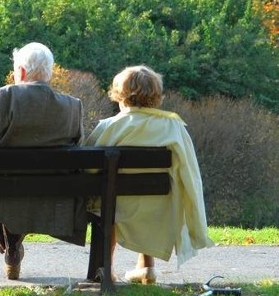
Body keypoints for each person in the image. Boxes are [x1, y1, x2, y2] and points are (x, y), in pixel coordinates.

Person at [85, 65, 214, 284]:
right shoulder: (173, 126)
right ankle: (146, 267)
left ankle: (106, 266)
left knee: (109, 202)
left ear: (120, 96)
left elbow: (88, 167)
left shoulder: (110, 126)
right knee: (148, 202)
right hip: (160, 203)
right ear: (156, 96)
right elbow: (190, 172)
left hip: (115, 204)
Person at [0, 42, 85, 280]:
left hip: (4, 193)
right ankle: (13, 242)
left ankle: (11, 240)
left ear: (20, 71)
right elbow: (79, 148)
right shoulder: (73, 106)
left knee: (4, 185)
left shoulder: (5, 96)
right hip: (54, 195)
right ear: (50, 72)